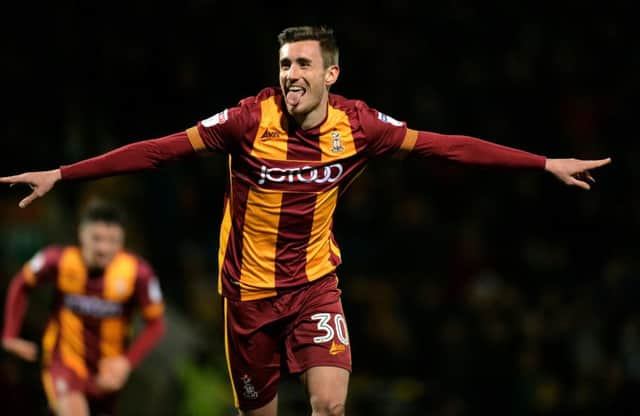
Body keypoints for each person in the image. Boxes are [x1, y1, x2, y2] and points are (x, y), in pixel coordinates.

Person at [0, 25, 611, 416]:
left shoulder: (361, 126)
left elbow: (446, 146)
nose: (289, 74)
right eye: (284, 63)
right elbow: (159, 150)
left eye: (302, 65)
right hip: (247, 298)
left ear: (330, 74)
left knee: (328, 404)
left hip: (315, 284)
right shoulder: (246, 120)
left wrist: (543, 163)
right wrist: (63, 174)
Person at [2, 199, 166, 416]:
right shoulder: (58, 260)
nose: (103, 248)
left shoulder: (138, 273)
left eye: (112, 241)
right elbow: (21, 283)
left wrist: (126, 363)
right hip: (64, 363)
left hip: (106, 373)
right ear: (82, 234)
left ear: (122, 240)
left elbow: (156, 324)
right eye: (97, 239)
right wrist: (10, 334)